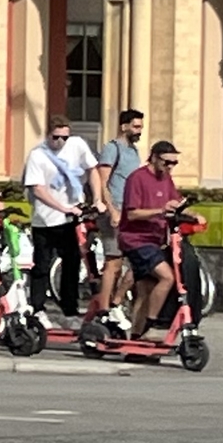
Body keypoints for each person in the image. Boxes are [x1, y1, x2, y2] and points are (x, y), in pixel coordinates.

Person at [22, 115, 100, 326]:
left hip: (71, 218)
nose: (61, 142)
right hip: (46, 219)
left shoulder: (77, 145)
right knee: (41, 265)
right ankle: (37, 308)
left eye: (65, 137)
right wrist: (63, 207)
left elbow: (93, 169)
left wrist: (97, 198)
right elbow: (38, 190)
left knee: (73, 262)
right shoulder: (38, 155)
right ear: (48, 135)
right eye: (56, 137)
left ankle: (69, 310)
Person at [116, 139, 187, 336]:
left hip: (155, 240)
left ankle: (137, 336)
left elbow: (176, 201)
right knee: (167, 278)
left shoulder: (166, 178)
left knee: (146, 290)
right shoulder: (137, 178)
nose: (170, 167)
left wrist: (193, 214)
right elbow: (132, 214)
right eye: (166, 162)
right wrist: (160, 211)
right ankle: (151, 323)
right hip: (136, 240)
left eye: (174, 163)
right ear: (154, 158)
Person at [90, 108, 147, 320]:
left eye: (140, 127)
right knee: (113, 262)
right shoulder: (113, 149)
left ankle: (117, 301)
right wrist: (112, 210)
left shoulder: (133, 151)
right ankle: (103, 309)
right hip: (115, 211)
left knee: (138, 261)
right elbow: (103, 181)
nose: (139, 130)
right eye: (136, 126)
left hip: (131, 211)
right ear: (124, 126)